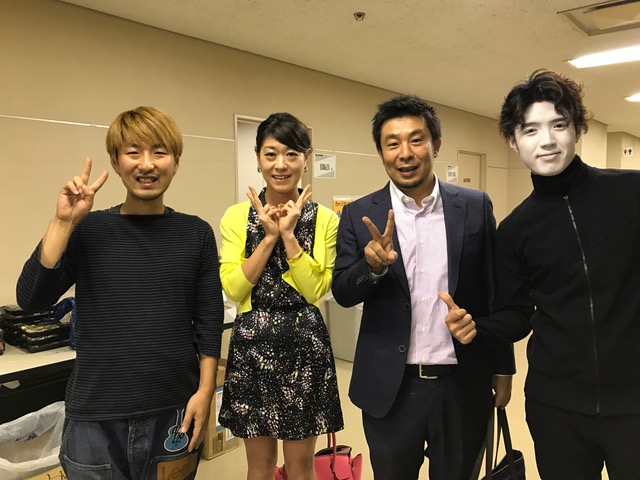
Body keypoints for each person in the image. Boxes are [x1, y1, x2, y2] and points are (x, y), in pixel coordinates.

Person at [443, 68, 640, 480]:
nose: (547, 140)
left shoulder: (630, 192)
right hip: (557, 408)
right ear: (514, 141)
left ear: (577, 128)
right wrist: (477, 327)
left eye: (559, 125)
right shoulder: (515, 230)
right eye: (530, 130)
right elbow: (517, 315)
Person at [16, 106, 224, 480]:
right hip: (94, 419)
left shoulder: (196, 234)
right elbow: (31, 299)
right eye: (133, 152)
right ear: (115, 161)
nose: (147, 164)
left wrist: (205, 391)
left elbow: (209, 320)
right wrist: (63, 222)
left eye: (159, 152)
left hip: (173, 410)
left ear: (176, 161)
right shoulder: (88, 229)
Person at [331, 94, 514, 480]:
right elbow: (344, 293)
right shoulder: (359, 214)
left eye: (416, 140)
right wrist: (371, 268)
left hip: (461, 383)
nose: (405, 153)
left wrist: (503, 367)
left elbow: (494, 291)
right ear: (381, 152)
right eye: (392, 143)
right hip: (391, 389)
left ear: (436, 144)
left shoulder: (474, 206)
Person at [218, 112, 343, 480]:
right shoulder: (236, 216)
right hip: (251, 345)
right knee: (258, 466)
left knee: (301, 466)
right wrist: (268, 237)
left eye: (291, 154)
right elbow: (234, 288)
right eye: (271, 154)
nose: (281, 164)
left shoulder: (325, 220)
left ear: (306, 158)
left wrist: (289, 237)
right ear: (258, 159)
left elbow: (315, 290)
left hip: (304, 346)